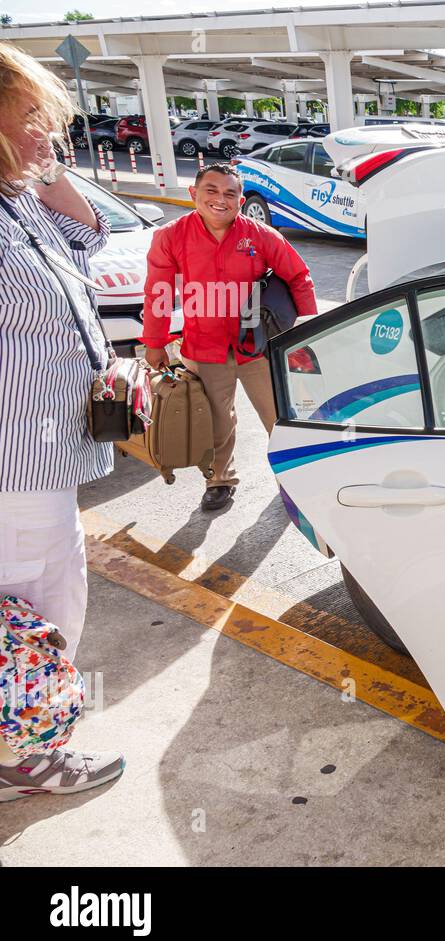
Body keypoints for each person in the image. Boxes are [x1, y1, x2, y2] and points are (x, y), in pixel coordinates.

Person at [0, 41, 125, 798]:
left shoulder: (18, 198)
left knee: (44, 597)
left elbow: (91, 236)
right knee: (43, 604)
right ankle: (25, 755)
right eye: (32, 115)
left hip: (44, 456)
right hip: (15, 464)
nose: (48, 128)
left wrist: (43, 165)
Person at [141, 163, 316, 511]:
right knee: (217, 422)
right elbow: (158, 291)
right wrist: (154, 342)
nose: (220, 200)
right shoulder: (171, 236)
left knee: (280, 417)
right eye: (212, 190)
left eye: (230, 193)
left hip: (258, 347)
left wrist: (306, 331)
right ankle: (219, 480)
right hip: (204, 348)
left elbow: (299, 277)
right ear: (194, 194)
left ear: (239, 200)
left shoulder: (261, 235)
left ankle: (295, 479)